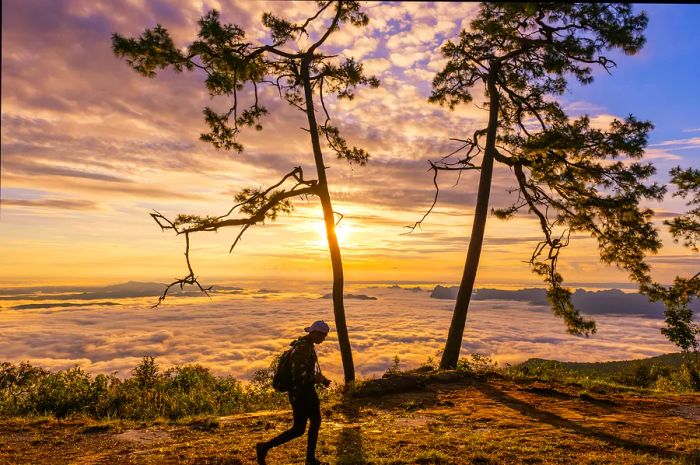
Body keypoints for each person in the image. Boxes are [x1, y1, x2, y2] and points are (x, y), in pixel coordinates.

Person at [256, 320, 332, 465]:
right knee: (304, 427)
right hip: (302, 394)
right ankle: (265, 447)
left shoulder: (305, 345)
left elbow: (306, 370)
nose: (324, 339)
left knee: (303, 427)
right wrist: (315, 380)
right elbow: (299, 375)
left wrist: (322, 380)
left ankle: (265, 447)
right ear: (315, 333)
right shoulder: (303, 349)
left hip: (301, 393)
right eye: (323, 336)